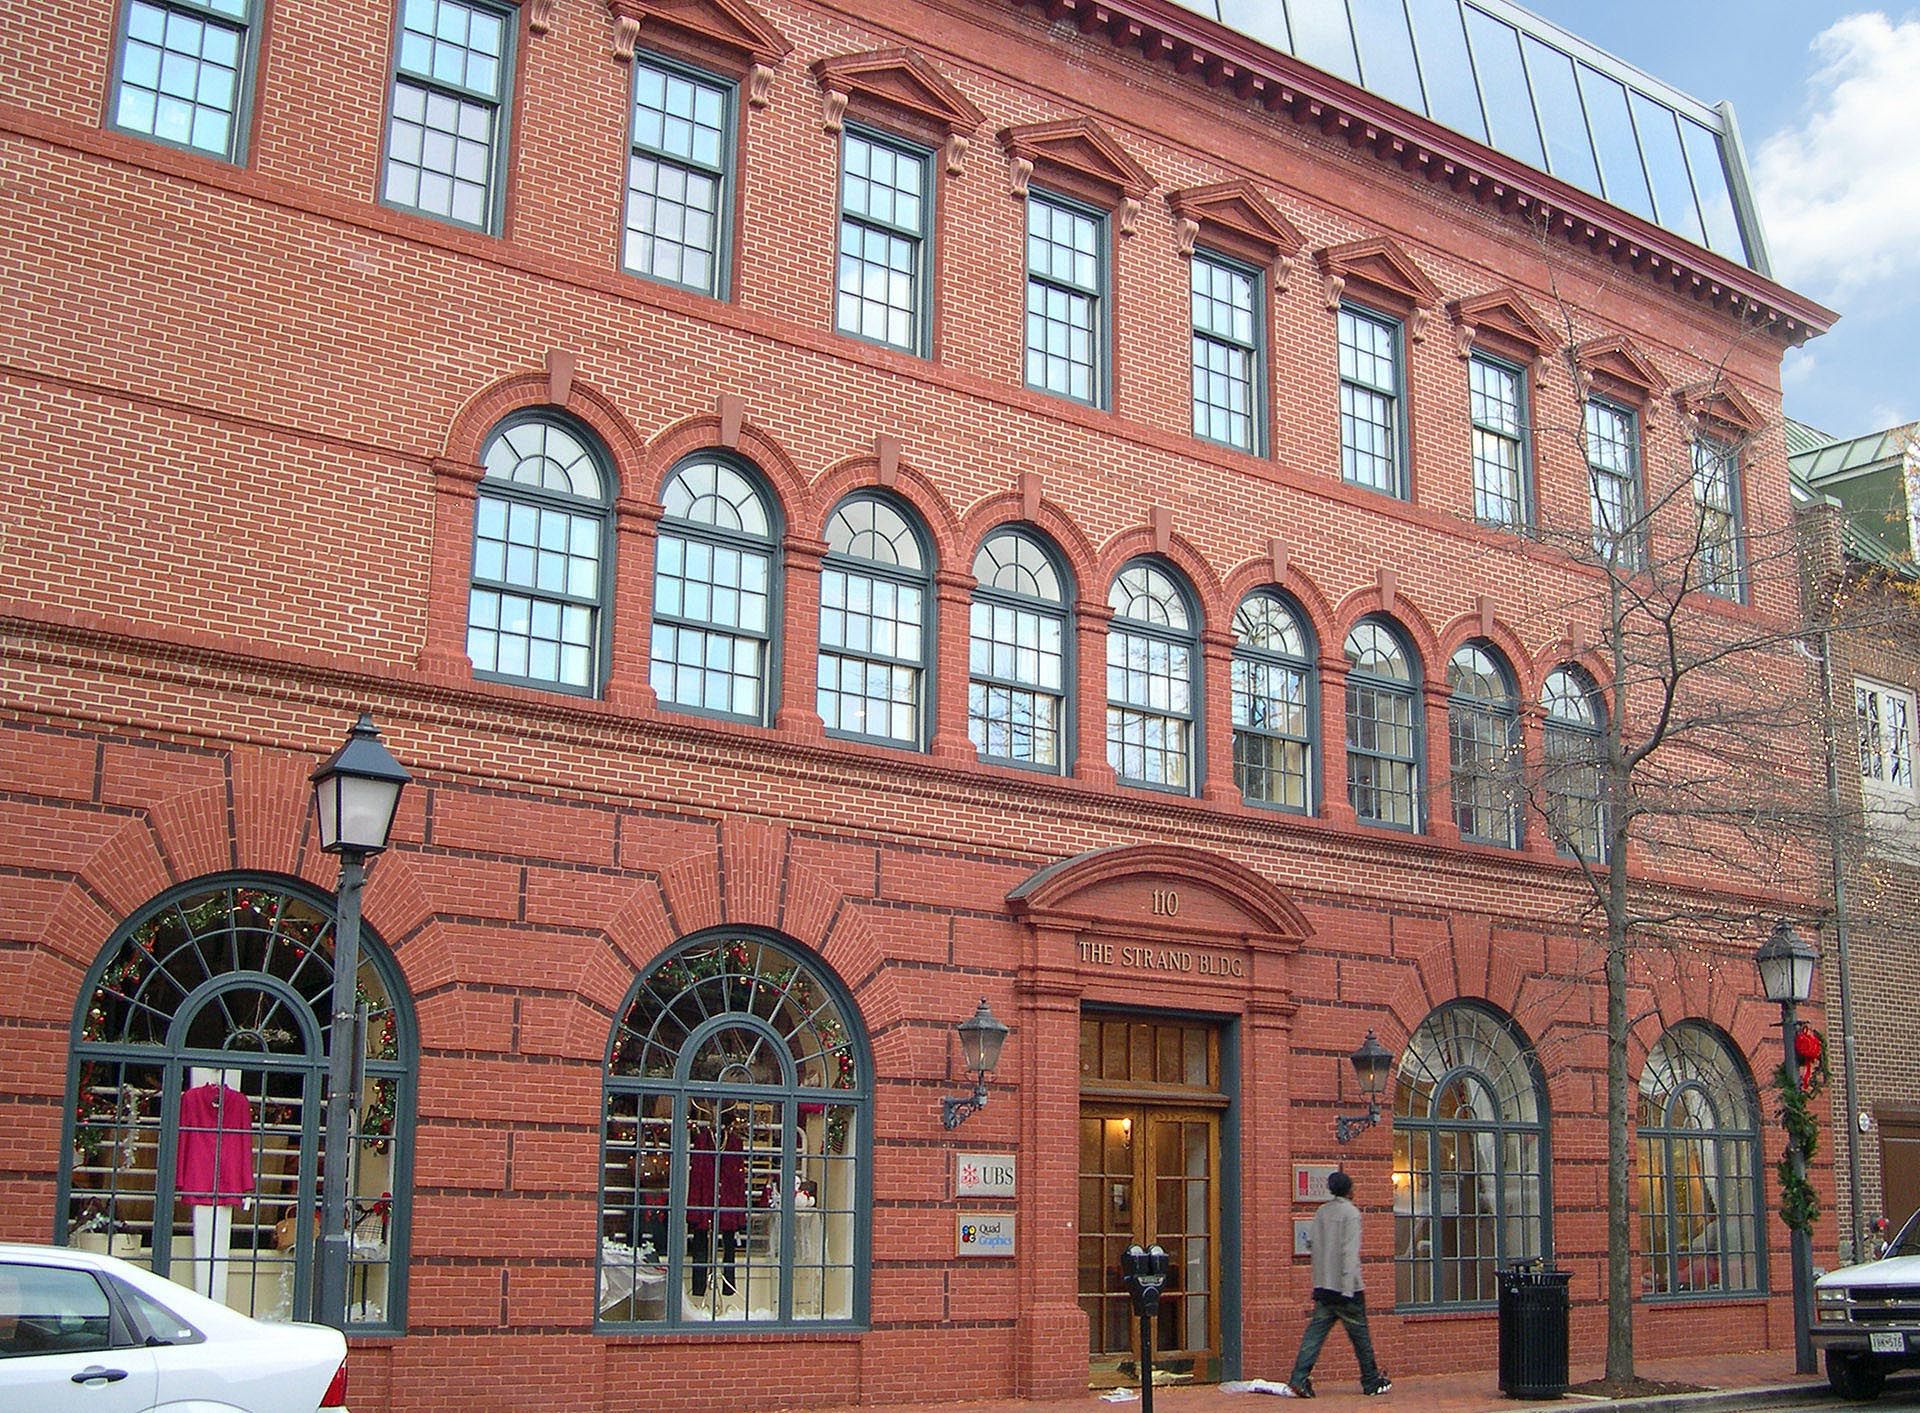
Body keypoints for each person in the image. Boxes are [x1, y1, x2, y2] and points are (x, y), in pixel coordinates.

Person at [1278, 1170, 1391, 1398]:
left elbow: (1312, 1245)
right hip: (1346, 1288)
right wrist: (1348, 1288)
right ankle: (1370, 1381)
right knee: (1360, 1337)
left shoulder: (1322, 1212)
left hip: (1323, 1287)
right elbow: (1349, 1251)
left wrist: (1320, 1278)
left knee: (1314, 1335)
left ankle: (1299, 1378)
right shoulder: (1351, 1213)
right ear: (1349, 1189)